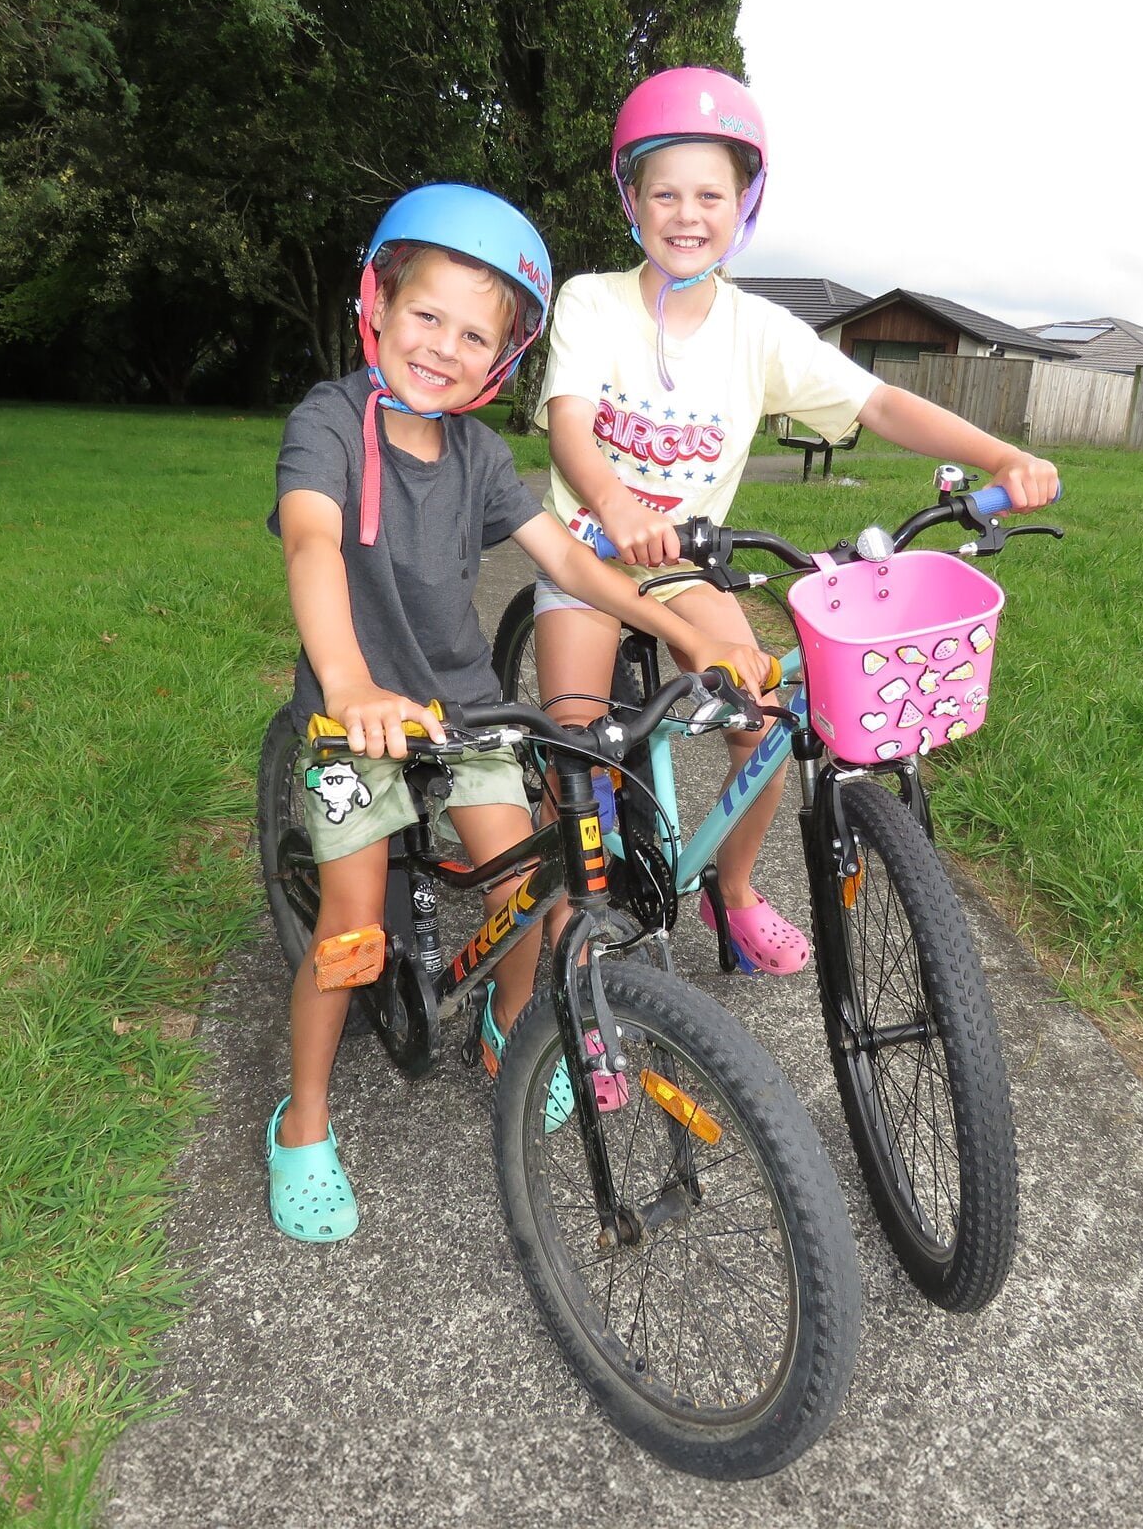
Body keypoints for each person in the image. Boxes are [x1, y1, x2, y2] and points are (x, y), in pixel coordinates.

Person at [267, 183, 771, 1242]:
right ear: (377, 302)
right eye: (425, 316)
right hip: (353, 718)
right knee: (352, 925)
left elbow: (567, 564)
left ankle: (511, 1033)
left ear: (501, 355)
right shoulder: (329, 424)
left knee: (539, 885)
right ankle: (302, 1117)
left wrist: (680, 628)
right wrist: (348, 681)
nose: (442, 347)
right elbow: (313, 542)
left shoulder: (480, 457)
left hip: (466, 711)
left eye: (473, 332)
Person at [531, 67, 1061, 976]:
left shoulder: (758, 331)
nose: (687, 213)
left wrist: (996, 456)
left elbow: (882, 403)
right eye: (664, 192)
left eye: (711, 194)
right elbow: (574, 423)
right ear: (631, 199)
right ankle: (573, 966)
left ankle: (730, 894)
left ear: (746, 205)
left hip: (684, 563)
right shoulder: (592, 300)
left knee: (763, 721)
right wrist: (615, 505)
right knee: (575, 752)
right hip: (586, 552)